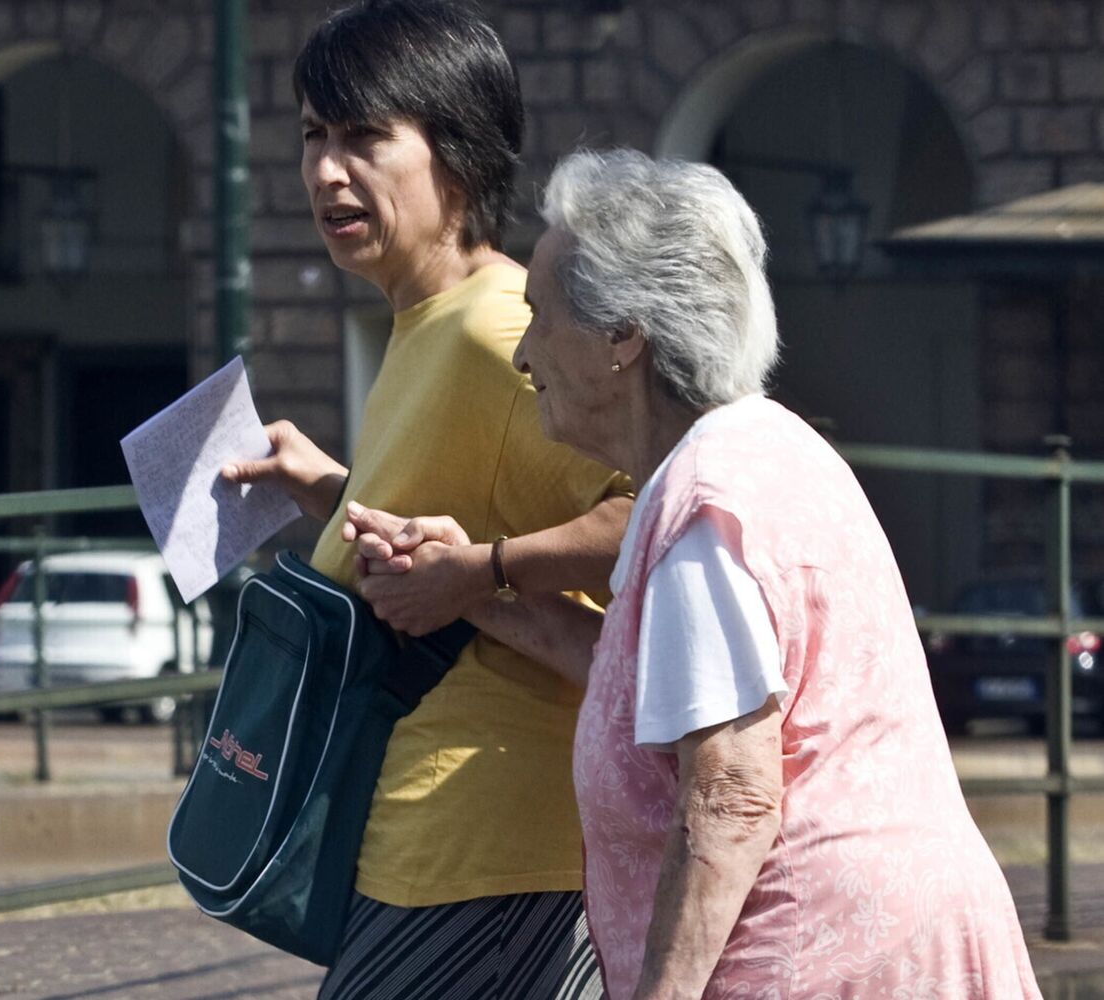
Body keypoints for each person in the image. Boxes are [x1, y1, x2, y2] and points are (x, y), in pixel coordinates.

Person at [348, 148, 1042, 998]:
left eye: (539, 318)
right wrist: (462, 578)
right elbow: (634, 678)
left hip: (823, 961)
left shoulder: (703, 510)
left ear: (623, 337)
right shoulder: (764, 446)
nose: (525, 356)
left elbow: (732, 803)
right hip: (899, 941)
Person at [220, 2, 631, 996]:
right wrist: (328, 487)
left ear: (457, 152)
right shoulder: (426, 322)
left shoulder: (497, 331)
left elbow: (666, 509)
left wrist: (484, 573)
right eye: (313, 135)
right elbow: (460, 509)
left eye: (365, 137)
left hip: (487, 864)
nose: (326, 170)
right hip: (428, 849)